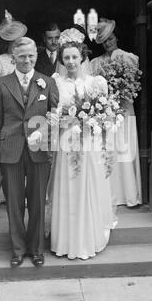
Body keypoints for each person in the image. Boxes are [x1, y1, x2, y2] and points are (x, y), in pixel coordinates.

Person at [0, 37, 59, 268]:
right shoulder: (2, 83)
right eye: (22, 56)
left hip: (38, 149)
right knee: (14, 203)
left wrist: (50, 127)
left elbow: (55, 115)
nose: (27, 60)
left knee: (37, 201)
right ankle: (17, 249)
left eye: (31, 56)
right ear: (13, 57)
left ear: (36, 55)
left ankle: (36, 249)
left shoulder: (47, 82)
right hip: (10, 150)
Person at [49, 32, 116, 260]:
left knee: (87, 186)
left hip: (88, 143)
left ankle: (88, 237)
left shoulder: (95, 83)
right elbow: (53, 112)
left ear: (82, 58)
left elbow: (104, 115)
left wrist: (91, 119)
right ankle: (66, 240)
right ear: (61, 60)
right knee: (67, 185)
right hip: (67, 142)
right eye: (66, 58)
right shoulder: (55, 82)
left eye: (74, 57)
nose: (70, 62)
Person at [91, 19, 142, 208]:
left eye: (110, 38)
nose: (108, 43)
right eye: (104, 41)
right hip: (107, 111)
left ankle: (128, 195)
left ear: (116, 38)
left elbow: (132, 82)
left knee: (125, 149)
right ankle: (110, 195)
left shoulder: (128, 57)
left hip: (124, 109)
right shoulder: (97, 63)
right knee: (109, 149)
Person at [0, 10, 28, 205]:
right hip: (7, 116)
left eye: (20, 40)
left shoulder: (27, 60)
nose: (18, 43)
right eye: (14, 41)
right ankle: (5, 195)